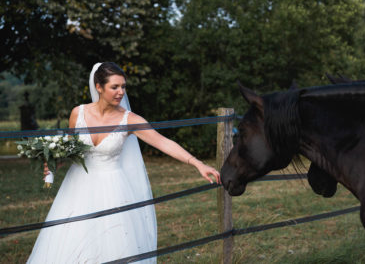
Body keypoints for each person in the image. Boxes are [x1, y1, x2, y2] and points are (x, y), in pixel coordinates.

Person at [27, 62, 221, 263]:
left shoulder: (130, 120)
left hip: (113, 189)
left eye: (123, 87)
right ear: (99, 87)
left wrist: (198, 163)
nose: (121, 92)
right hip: (77, 187)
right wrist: (53, 161)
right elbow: (70, 148)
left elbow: (163, 142)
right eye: (115, 87)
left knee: (113, 242)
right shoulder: (78, 113)